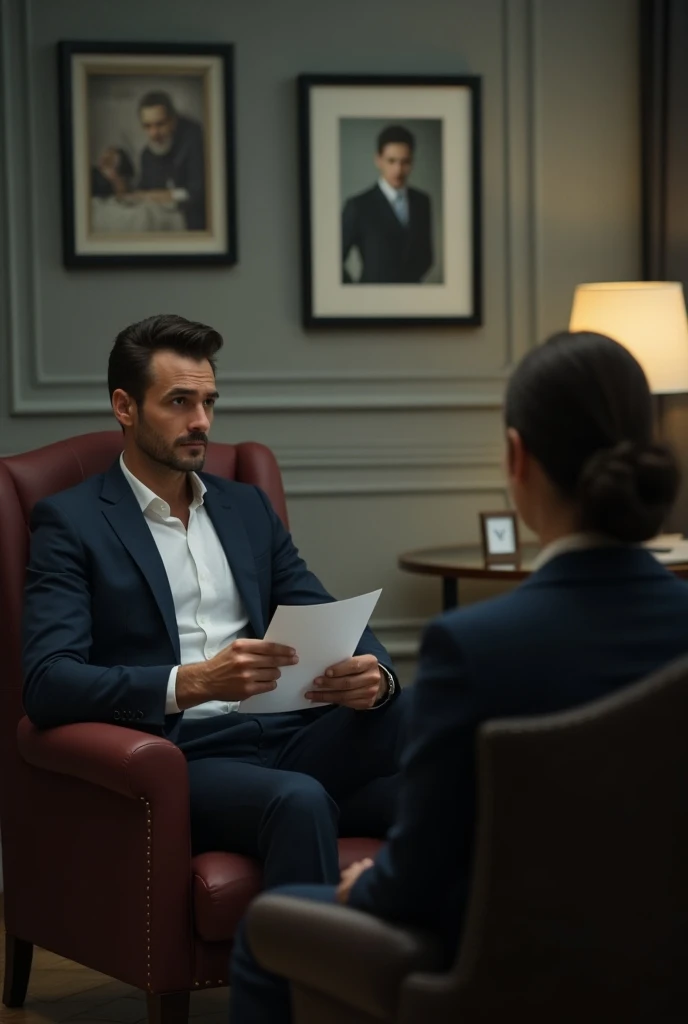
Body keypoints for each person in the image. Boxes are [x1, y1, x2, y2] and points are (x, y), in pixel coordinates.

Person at [228, 329, 688, 1023]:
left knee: (270, 930)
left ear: (516, 456)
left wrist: (367, 884)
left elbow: (417, 880)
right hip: (667, 963)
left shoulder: (472, 648)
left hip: (499, 975)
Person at [22, 314, 406, 891]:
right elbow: (50, 683)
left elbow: (323, 611)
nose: (200, 421)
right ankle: (305, 982)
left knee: (422, 713)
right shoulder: (71, 523)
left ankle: (442, 974)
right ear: (125, 407)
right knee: (300, 801)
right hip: (183, 754)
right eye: (178, 401)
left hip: (289, 733)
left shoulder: (245, 507)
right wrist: (195, 682)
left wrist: (376, 677)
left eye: (208, 401)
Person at [98, 91, 206, 230]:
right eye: (147, 126)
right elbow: (140, 193)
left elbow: (197, 193)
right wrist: (116, 178)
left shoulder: (194, 139)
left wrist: (153, 196)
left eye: (160, 124)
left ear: (173, 121)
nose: (153, 134)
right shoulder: (147, 155)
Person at [341, 125, 433, 284]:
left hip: (414, 300)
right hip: (371, 301)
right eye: (391, 161)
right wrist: (353, 295)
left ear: (412, 161)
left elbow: (427, 256)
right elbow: (333, 261)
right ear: (378, 160)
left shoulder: (422, 201)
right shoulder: (358, 205)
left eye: (405, 162)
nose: (398, 170)